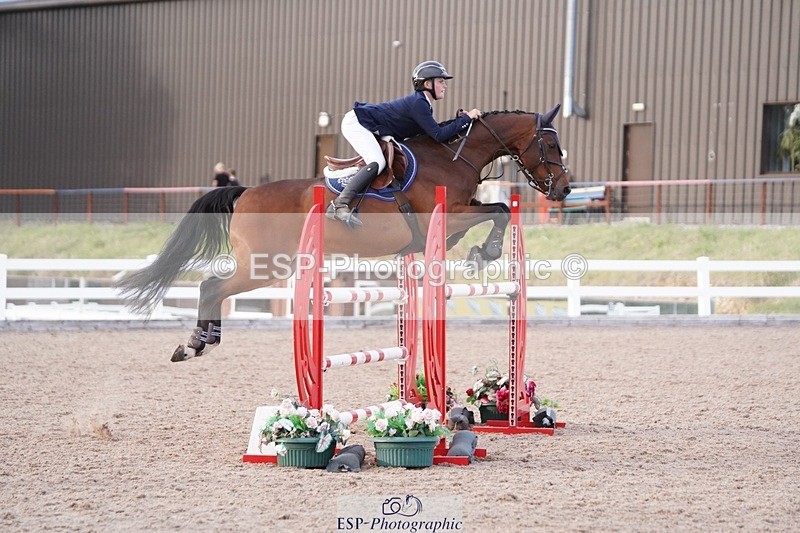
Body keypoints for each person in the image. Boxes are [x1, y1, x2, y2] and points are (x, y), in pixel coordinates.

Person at [326, 60, 482, 227]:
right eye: (441, 81)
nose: (445, 86)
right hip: (357, 122)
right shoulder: (419, 103)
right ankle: (339, 204)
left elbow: (433, 132)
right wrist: (466, 118)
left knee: (380, 160)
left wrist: (460, 121)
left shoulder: (423, 104)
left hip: (370, 125)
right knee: (378, 161)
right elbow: (438, 135)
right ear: (428, 84)